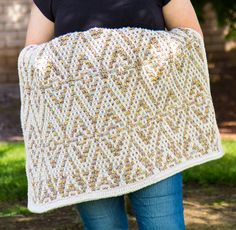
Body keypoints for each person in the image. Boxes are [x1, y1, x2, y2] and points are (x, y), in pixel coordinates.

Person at [25, 0, 203, 229]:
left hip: (153, 140)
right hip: (86, 148)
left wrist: (124, 48)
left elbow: (191, 39)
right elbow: (32, 59)